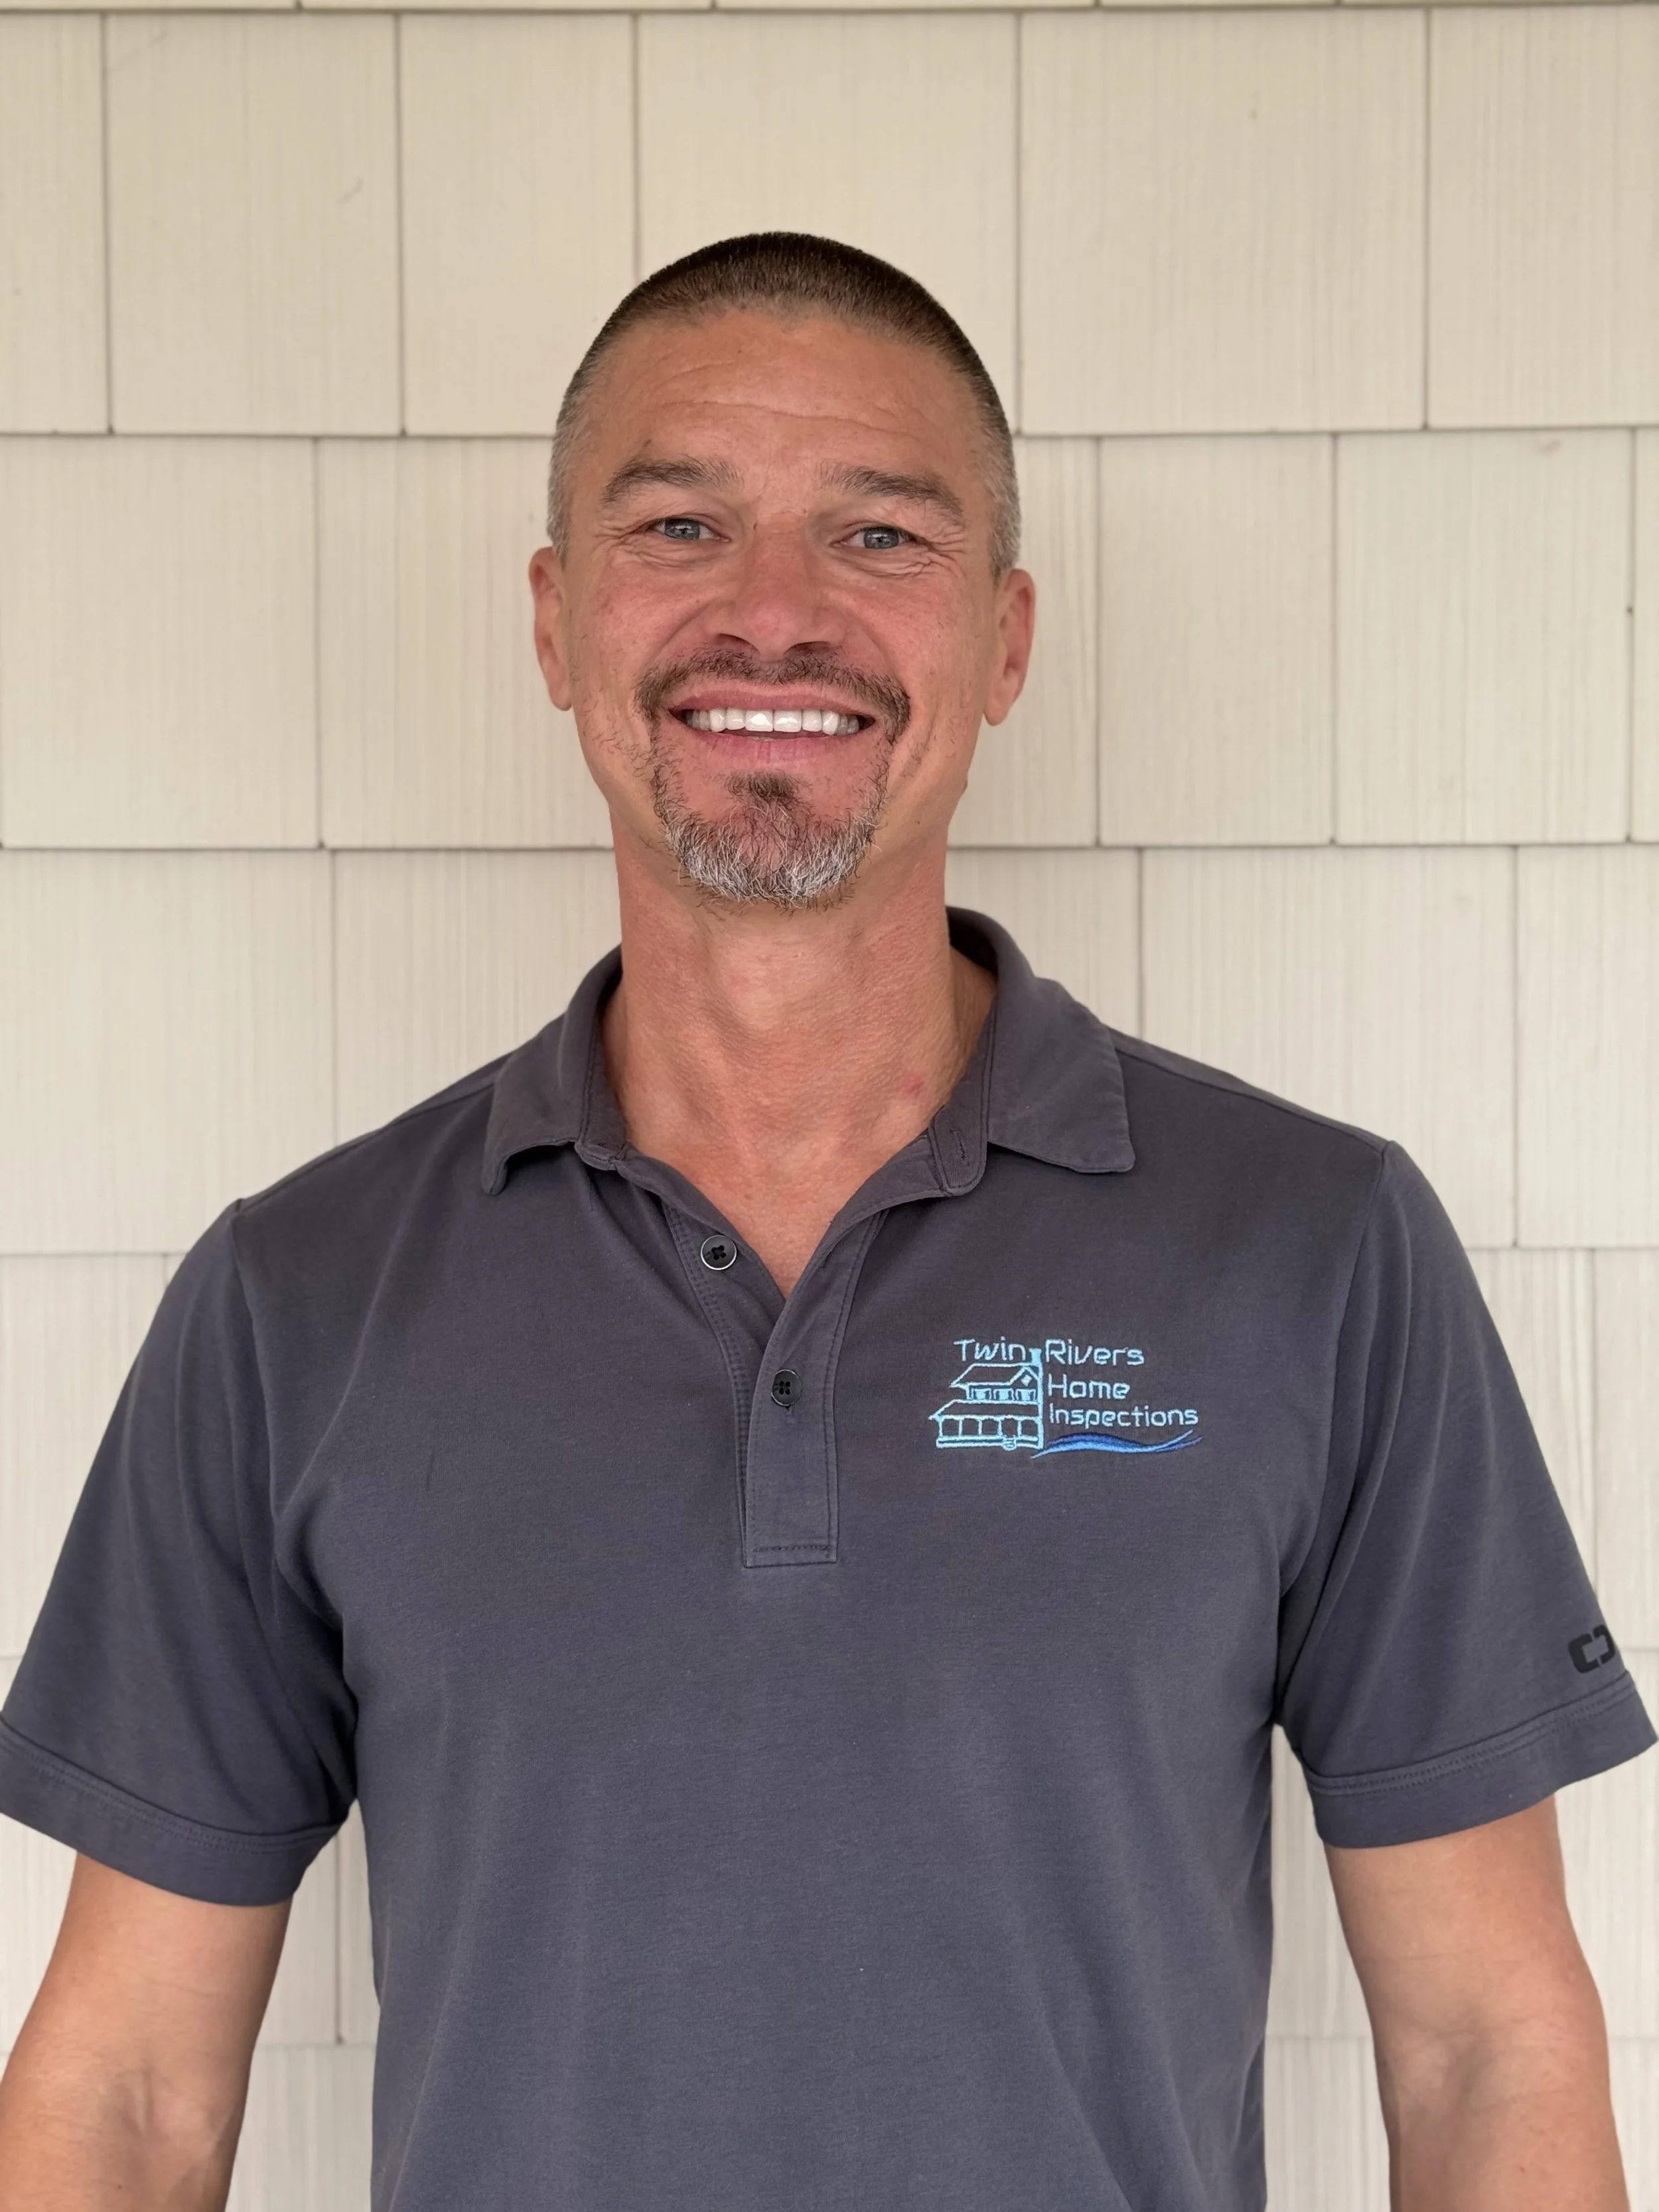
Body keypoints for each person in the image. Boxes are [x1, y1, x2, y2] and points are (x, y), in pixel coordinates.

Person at [0, 231, 1649, 2212]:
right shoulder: (298, 1299)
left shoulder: (1310, 1249)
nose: (772, 616)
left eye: (879, 536)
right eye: (681, 520)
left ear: (1007, 637)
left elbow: (1484, 2048)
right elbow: (125, 2091)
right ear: (553, 619)